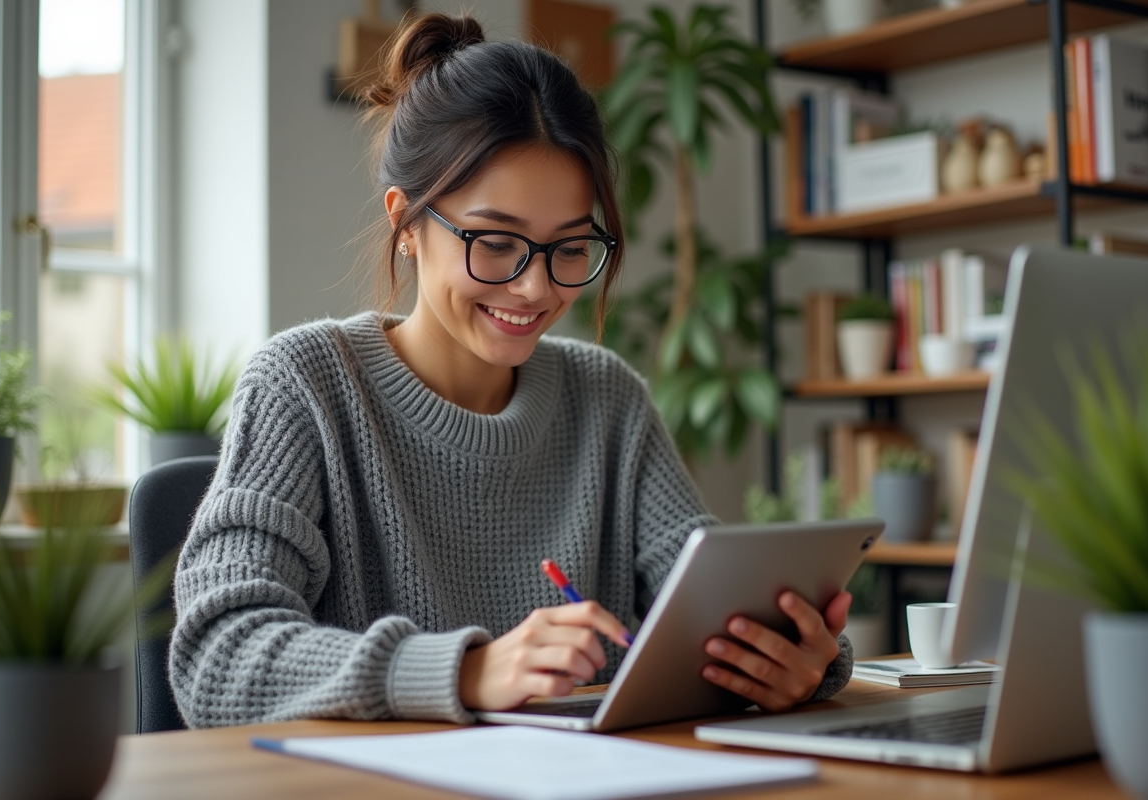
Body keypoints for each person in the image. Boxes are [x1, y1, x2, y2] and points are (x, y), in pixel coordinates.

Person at [169, 11, 854, 728]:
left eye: (568, 247)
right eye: (496, 242)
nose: (535, 288)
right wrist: (464, 671)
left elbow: (711, 604)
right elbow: (218, 656)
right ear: (406, 224)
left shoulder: (607, 400)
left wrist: (797, 661)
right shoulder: (304, 385)